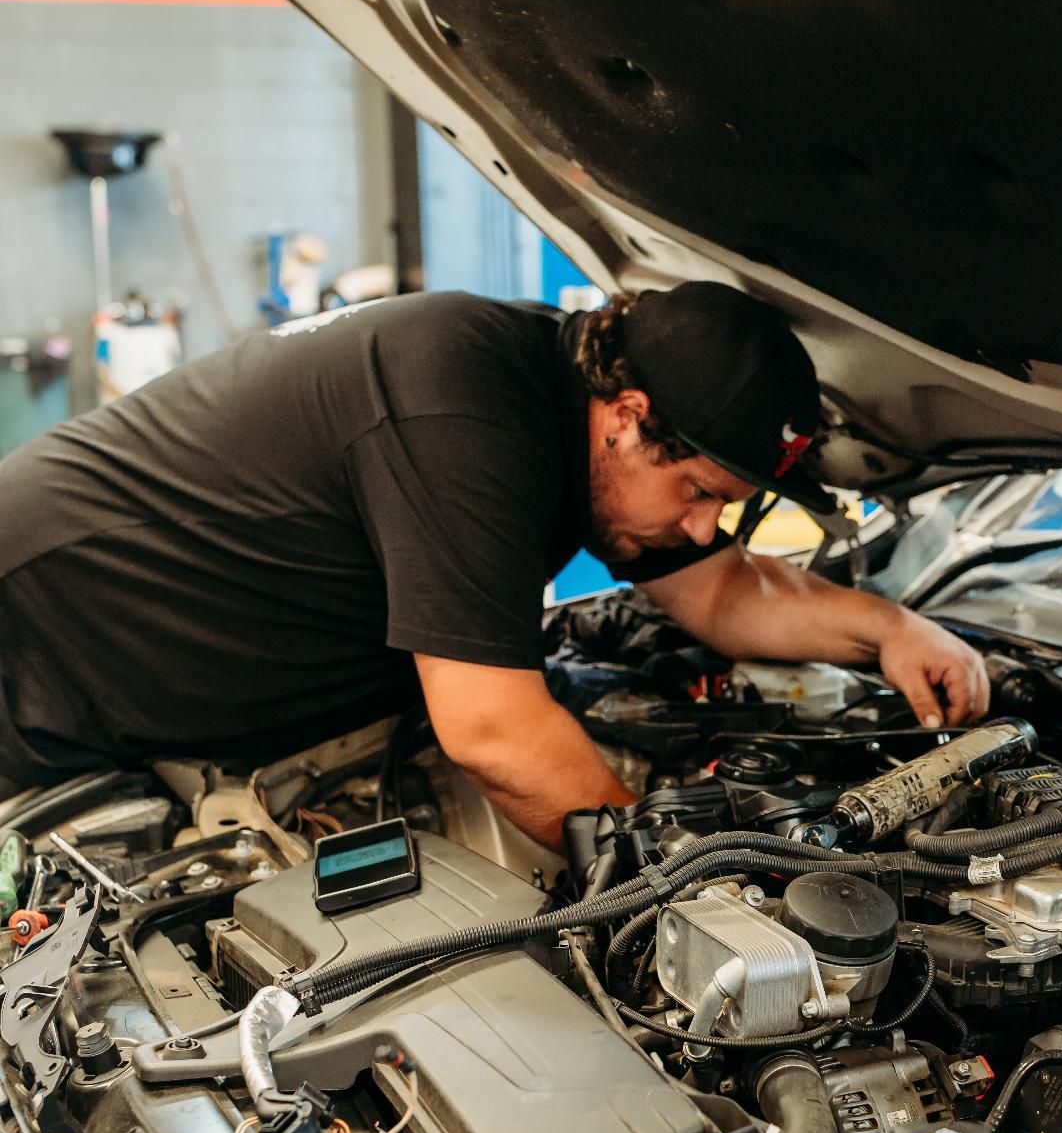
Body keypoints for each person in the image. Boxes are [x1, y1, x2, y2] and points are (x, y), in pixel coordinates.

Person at [0, 281, 988, 847]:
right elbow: (493, 732)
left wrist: (890, 628)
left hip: (166, 695)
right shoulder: (467, 410)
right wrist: (669, 876)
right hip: (42, 634)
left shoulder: (581, 412)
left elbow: (722, 589)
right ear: (631, 418)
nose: (701, 529)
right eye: (699, 495)